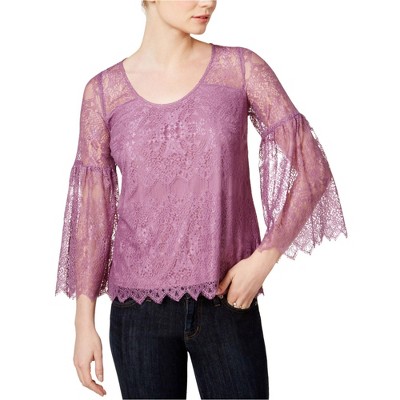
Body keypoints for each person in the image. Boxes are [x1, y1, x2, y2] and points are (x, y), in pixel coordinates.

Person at [55, 1, 348, 399]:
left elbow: (312, 168)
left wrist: (263, 260)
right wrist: (83, 322)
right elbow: (94, 213)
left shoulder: (240, 69)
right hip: (138, 316)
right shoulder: (103, 93)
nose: (208, 1)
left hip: (227, 302)